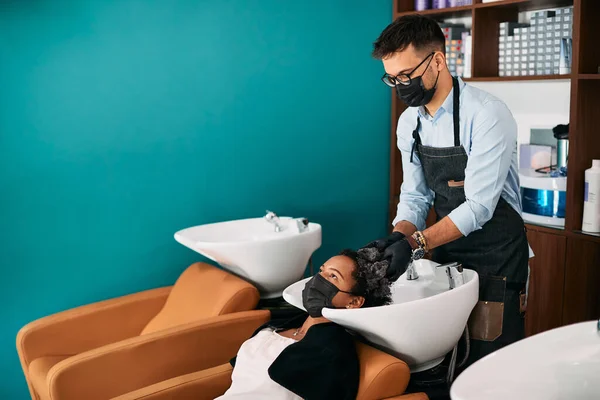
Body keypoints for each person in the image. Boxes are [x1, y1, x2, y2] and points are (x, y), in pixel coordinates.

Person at [364, 15, 529, 366]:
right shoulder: (409, 122)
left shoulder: (487, 115)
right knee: (448, 355)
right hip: (446, 250)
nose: (400, 85)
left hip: (497, 253)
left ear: (438, 61)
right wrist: (397, 237)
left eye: (406, 75)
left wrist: (415, 243)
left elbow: (480, 207)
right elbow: (415, 196)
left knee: (489, 360)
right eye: (392, 79)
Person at [215, 248, 393, 400]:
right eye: (321, 270)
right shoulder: (281, 325)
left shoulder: (331, 351)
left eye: (333, 276)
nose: (318, 279)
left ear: (353, 302)